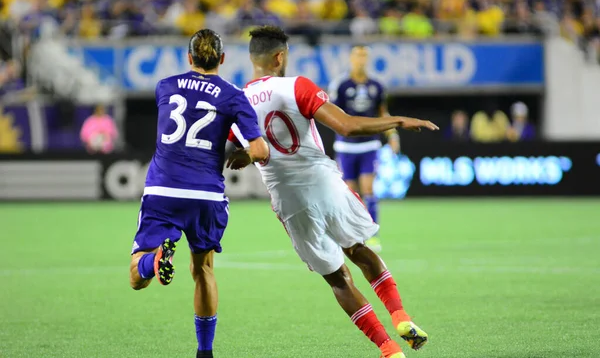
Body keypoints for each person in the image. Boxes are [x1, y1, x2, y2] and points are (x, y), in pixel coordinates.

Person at [227, 26, 437, 358]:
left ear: (252, 59)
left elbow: (229, 152)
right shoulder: (297, 86)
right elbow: (347, 125)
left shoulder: (235, 101)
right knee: (359, 250)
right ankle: (400, 316)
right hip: (323, 183)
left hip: (288, 201)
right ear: (280, 56)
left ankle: (389, 350)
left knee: (337, 278)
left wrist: (241, 154)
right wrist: (397, 121)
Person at [128, 29, 269, 358]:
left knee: (137, 276)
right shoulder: (234, 95)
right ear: (222, 59)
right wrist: (243, 155)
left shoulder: (165, 86)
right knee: (203, 270)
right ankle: (204, 353)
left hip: (162, 189)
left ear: (189, 58)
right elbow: (260, 150)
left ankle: (153, 261)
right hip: (206, 195)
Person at [328, 45, 399, 253]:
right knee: (350, 193)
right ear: (351, 58)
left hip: (369, 144)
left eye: (364, 55)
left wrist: (392, 135)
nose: (361, 59)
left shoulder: (376, 85)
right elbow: (332, 113)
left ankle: (372, 234)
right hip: (346, 146)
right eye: (358, 55)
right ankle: (351, 234)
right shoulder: (340, 85)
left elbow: (382, 112)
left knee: (368, 189)